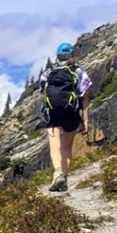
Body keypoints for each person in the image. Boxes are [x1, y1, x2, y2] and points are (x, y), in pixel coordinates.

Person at [38, 41, 91, 192]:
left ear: (58, 56)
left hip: (53, 114)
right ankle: (64, 179)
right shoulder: (78, 72)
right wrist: (86, 120)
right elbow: (85, 97)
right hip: (71, 113)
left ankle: (57, 174)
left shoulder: (48, 73)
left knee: (55, 147)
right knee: (66, 147)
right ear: (72, 55)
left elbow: (43, 92)